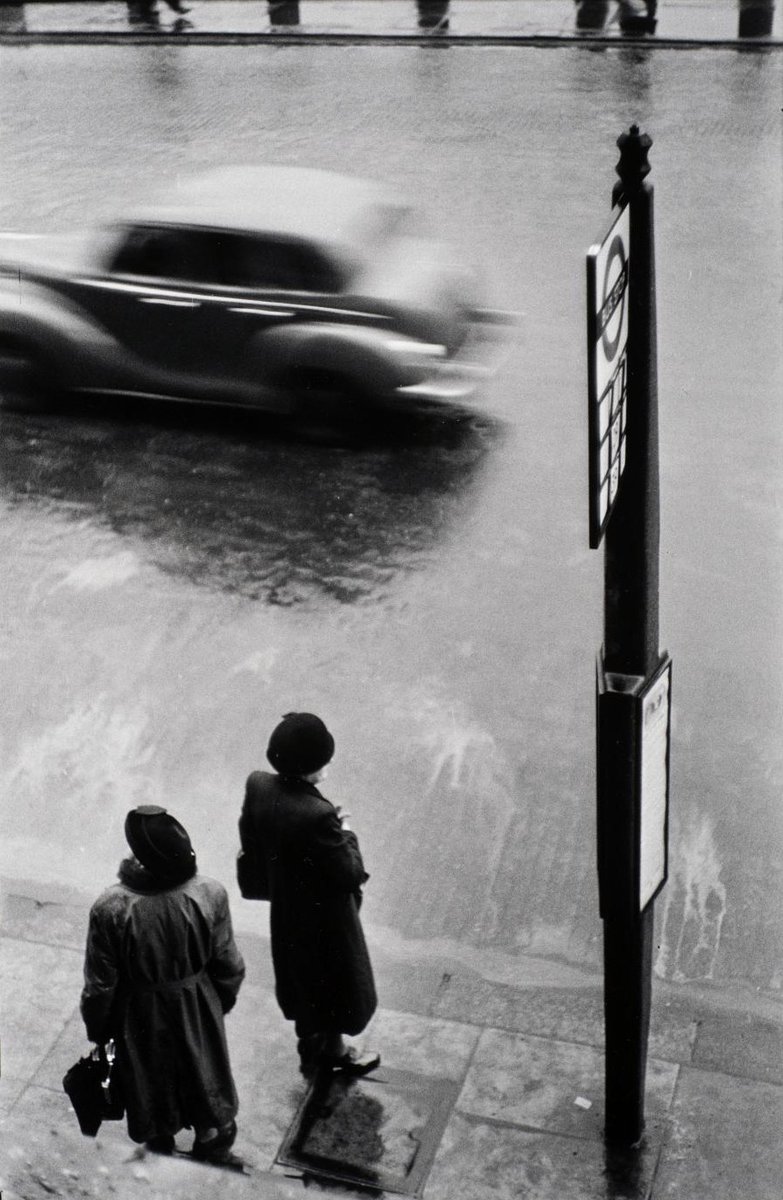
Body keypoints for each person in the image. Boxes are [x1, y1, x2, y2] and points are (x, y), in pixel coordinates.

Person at [80, 805, 245, 1165]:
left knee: (148, 1079)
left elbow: (100, 986)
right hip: (197, 1001)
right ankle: (211, 1140)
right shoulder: (209, 893)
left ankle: (161, 1147)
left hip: (137, 1012)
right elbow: (229, 964)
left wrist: (100, 1029)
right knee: (202, 1070)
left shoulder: (112, 907)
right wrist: (218, 1004)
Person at [237, 712, 379, 1078]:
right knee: (338, 981)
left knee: (301, 977)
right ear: (312, 768)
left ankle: (308, 1042)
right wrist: (345, 830)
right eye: (323, 761)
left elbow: (251, 836)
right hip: (326, 919)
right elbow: (349, 873)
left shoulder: (258, 785)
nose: (328, 764)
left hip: (287, 909)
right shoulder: (318, 815)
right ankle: (334, 1052)